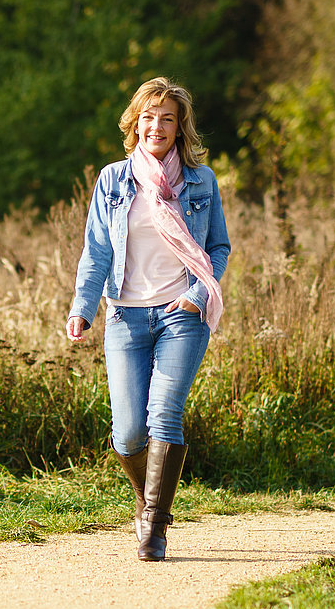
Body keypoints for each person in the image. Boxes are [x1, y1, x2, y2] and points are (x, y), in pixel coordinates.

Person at [66, 76, 230, 561]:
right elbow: (96, 251)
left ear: (179, 129)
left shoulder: (200, 181)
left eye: (167, 119)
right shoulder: (114, 179)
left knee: (165, 414)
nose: (156, 126)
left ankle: (155, 527)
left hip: (183, 313)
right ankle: (146, 499)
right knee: (128, 432)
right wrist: (82, 307)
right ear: (135, 124)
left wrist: (200, 293)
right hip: (125, 318)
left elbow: (218, 246)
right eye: (148, 117)